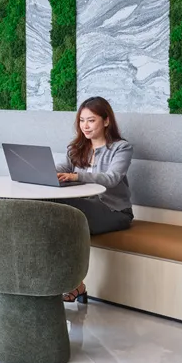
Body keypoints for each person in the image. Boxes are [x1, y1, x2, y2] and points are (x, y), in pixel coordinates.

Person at [56, 96, 134, 303]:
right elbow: (63, 169)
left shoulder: (121, 148)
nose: (85, 126)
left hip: (114, 210)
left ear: (106, 120)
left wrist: (77, 176)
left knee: (66, 216)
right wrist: (41, 170)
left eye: (91, 120)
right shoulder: (76, 148)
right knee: (54, 215)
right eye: (82, 121)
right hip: (85, 206)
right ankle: (65, 283)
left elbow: (112, 178)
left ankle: (73, 284)